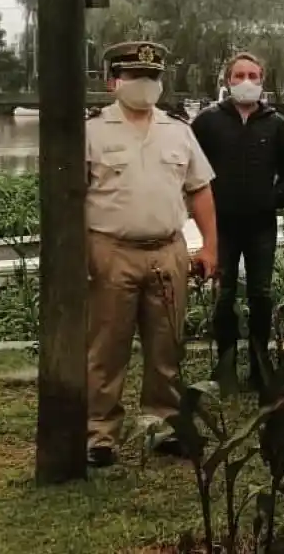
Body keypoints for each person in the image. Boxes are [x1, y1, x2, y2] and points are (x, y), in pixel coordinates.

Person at [85, 42, 218, 468]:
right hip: (111, 251)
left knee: (167, 346)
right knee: (107, 347)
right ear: (113, 81)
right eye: (135, 76)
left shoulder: (178, 130)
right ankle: (100, 434)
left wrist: (210, 245)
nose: (145, 85)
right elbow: (68, 196)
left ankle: (165, 427)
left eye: (152, 77)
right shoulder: (91, 132)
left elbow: (199, 189)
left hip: (167, 250)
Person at [191, 53, 284, 389]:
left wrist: (275, 198)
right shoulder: (208, 121)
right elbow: (189, 166)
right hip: (220, 225)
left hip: (261, 226)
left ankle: (259, 365)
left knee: (260, 295)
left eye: (253, 74)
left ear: (262, 79)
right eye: (239, 75)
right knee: (223, 297)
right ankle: (225, 366)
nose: (246, 81)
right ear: (227, 80)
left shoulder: (276, 123)